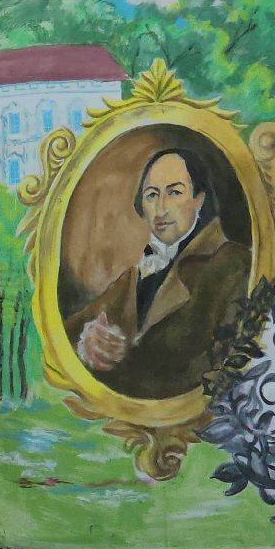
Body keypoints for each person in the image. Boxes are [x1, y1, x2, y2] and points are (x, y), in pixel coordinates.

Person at [65, 148, 251, 401]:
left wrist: (119, 362)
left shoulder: (233, 264)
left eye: (174, 192)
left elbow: (216, 368)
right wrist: (88, 344)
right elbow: (68, 331)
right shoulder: (134, 276)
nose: (160, 208)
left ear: (200, 199)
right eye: (151, 195)